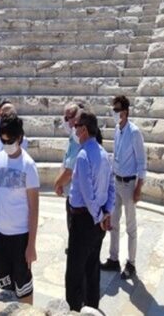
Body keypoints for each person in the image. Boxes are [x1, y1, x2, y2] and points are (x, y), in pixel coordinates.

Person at [65, 111, 115, 312]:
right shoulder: (104, 153)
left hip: (85, 221)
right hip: (98, 221)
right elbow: (111, 186)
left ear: (84, 129)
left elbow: (87, 194)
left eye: (76, 126)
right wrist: (106, 212)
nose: (74, 129)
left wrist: (98, 216)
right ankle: (92, 310)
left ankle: (74, 311)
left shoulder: (84, 155)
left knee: (74, 276)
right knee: (92, 271)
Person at [0, 115, 39, 304]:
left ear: (19, 138)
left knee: (24, 289)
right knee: (5, 288)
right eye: (3, 140)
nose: (6, 144)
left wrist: (31, 245)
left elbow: (34, 209)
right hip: (0, 237)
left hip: (20, 238)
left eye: (9, 140)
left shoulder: (28, 166)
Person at [101, 95, 147, 279]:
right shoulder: (118, 130)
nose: (114, 112)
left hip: (129, 183)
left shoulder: (134, 132)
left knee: (130, 226)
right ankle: (113, 259)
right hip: (116, 181)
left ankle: (131, 263)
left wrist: (138, 188)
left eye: (117, 109)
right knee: (113, 222)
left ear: (125, 112)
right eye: (113, 109)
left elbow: (142, 162)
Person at [53, 102, 84, 196]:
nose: (65, 121)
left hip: (76, 190)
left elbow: (70, 169)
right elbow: (66, 161)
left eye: (67, 118)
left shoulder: (78, 139)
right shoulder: (73, 136)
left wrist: (58, 184)